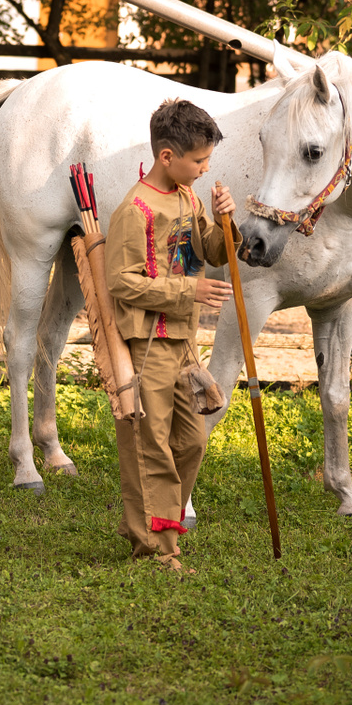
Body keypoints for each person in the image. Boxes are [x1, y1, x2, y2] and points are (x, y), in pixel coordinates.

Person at [104, 98, 236, 570]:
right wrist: (189, 290)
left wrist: (225, 219)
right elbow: (121, 281)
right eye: (199, 160)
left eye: (207, 160)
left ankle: (150, 521)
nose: (205, 168)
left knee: (192, 440)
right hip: (149, 345)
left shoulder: (188, 198)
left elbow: (214, 252)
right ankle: (157, 548)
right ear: (166, 156)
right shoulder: (135, 210)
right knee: (150, 445)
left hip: (183, 343)